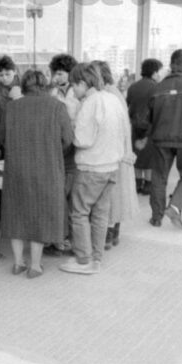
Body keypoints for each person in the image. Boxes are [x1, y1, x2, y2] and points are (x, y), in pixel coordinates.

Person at [0, 70, 73, 279]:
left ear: (23, 86)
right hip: (45, 168)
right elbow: (68, 139)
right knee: (40, 213)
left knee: (15, 213)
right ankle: (35, 266)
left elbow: (2, 138)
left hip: (16, 168)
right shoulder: (57, 106)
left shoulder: (11, 107)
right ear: (45, 85)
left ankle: (17, 263)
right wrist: (53, 150)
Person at [59, 63, 130, 275]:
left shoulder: (90, 103)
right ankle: (96, 259)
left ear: (83, 83)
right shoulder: (112, 99)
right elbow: (123, 130)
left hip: (91, 167)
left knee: (79, 213)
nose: (73, 90)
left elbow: (83, 140)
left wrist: (71, 128)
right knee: (100, 215)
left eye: (74, 85)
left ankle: (83, 260)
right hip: (111, 166)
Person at [146, 49, 182, 229]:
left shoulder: (158, 87)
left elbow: (148, 116)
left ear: (171, 64)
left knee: (159, 177)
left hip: (161, 138)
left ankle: (156, 217)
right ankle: (175, 207)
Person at [94, 61, 139, 250]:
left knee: (113, 192)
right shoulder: (112, 93)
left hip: (115, 151)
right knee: (114, 191)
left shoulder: (110, 94)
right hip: (117, 150)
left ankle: (110, 232)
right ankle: (112, 233)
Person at [47, 53, 79, 256]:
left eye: (60, 73)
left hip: (74, 146)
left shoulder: (77, 92)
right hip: (58, 145)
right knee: (60, 194)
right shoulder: (53, 93)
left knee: (70, 195)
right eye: (55, 73)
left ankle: (68, 238)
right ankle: (61, 236)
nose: (56, 77)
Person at [127, 58, 163, 196]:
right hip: (151, 127)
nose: (159, 75)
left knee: (137, 153)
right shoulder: (157, 87)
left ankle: (137, 183)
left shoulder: (133, 86)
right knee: (150, 157)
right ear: (154, 72)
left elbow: (128, 105)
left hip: (135, 126)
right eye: (158, 72)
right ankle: (148, 184)